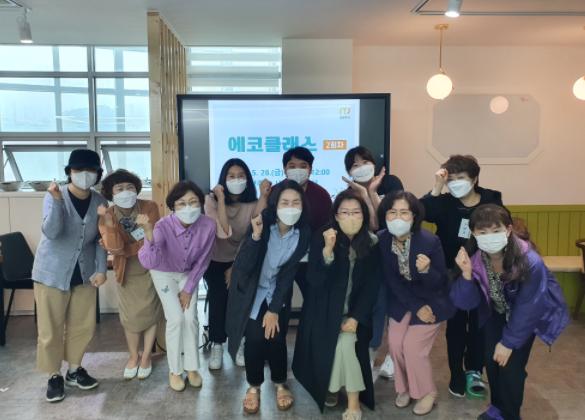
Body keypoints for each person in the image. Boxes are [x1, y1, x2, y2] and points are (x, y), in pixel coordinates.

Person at [451, 204, 569, 420]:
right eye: (482, 232)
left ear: (508, 230)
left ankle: (510, 414)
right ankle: (498, 408)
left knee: (511, 366)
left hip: (524, 316)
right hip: (495, 313)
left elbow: (529, 307)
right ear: (473, 234)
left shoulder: (530, 261)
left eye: (496, 230)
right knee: (492, 361)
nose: (489, 237)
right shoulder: (476, 259)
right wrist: (466, 274)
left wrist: (508, 343)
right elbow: (466, 303)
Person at [225, 180, 311, 414]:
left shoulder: (303, 233)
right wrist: (255, 237)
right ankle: (254, 386)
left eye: (295, 202)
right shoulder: (263, 223)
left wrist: (273, 309)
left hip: (277, 291)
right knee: (254, 337)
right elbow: (243, 266)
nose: (290, 207)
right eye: (285, 202)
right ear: (275, 204)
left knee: (276, 336)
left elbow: (288, 273)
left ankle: (280, 383)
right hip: (252, 291)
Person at [420, 154, 503, 398]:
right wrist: (437, 186)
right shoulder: (445, 202)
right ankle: (456, 372)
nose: (455, 183)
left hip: (483, 272)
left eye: (461, 178)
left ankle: (474, 370)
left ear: (474, 179)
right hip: (450, 272)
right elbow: (422, 212)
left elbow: (500, 229)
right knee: (455, 325)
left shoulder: (491, 199)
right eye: (451, 179)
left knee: (478, 324)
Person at [293, 190, 380, 420]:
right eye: (345, 212)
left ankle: (350, 400)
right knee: (340, 344)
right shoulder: (323, 236)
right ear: (336, 215)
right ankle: (337, 391)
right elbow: (314, 281)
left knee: (345, 343)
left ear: (364, 215)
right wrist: (327, 251)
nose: (350, 217)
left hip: (354, 313)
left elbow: (372, 287)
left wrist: (356, 317)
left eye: (356, 212)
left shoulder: (371, 242)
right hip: (323, 313)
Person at [32, 148, 107, 402]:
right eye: (78, 169)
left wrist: (101, 269)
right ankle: (54, 375)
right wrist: (56, 201)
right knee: (51, 327)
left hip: (84, 273)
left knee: (82, 325)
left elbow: (101, 240)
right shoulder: (54, 195)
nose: (84, 174)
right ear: (69, 172)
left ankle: (74, 370)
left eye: (91, 170)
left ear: (97, 174)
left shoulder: (100, 202)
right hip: (52, 272)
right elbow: (52, 232)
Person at [378, 191, 456, 416]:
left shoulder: (430, 241)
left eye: (404, 212)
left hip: (432, 302)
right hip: (403, 301)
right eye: (392, 212)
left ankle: (427, 392)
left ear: (414, 216)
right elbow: (391, 280)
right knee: (395, 345)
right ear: (385, 215)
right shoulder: (382, 239)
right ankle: (404, 388)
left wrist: (426, 271)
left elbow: (441, 282)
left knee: (412, 348)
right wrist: (415, 307)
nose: (398, 218)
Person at [138, 180, 215, 392]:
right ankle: (175, 370)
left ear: (201, 203)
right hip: (163, 273)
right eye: (182, 203)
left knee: (190, 319)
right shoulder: (163, 225)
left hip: (188, 274)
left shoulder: (208, 225)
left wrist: (188, 289)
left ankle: (192, 368)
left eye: (193, 202)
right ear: (173, 206)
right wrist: (148, 235)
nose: (188, 207)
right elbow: (149, 262)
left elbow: (203, 260)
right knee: (176, 319)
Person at [342, 145, 404, 379]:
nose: (361, 167)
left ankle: (394, 356)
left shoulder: (391, 183)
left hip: (396, 254)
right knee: (376, 304)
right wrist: (364, 193)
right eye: (354, 165)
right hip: (369, 258)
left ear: (374, 164)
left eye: (365, 162)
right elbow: (372, 226)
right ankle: (371, 351)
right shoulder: (350, 194)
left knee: (397, 305)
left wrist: (372, 192)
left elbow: (388, 221)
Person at [203, 158, 271, 370]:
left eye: (241, 176)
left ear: (248, 179)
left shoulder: (251, 203)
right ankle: (217, 344)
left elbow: (254, 232)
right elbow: (223, 232)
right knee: (218, 299)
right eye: (231, 176)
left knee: (241, 301)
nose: (236, 180)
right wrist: (221, 199)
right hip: (215, 258)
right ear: (223, 179)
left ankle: (240, 342)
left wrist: (264, 195)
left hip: (242, 259)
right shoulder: (211, 201)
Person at [97, 169, 163, 380]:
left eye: (130, 187)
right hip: (126, 271)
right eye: (120, 188)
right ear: (111, 193)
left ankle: (147, 357)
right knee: (129, 317)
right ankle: (134, 356)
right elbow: (114, 248)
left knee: (151, 313)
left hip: (150, 268)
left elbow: (153, 239)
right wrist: (109, 225)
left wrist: (124, 249)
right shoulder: (107, 215)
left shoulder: (149, 207)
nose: (126, 192)